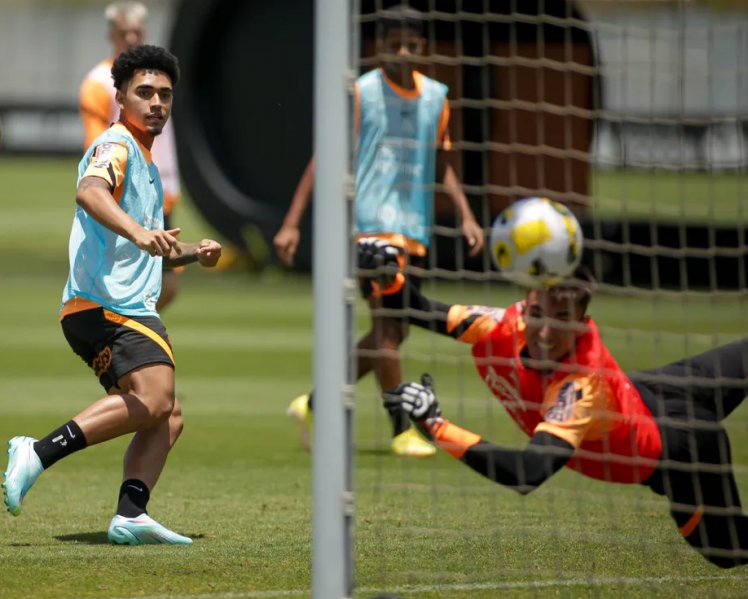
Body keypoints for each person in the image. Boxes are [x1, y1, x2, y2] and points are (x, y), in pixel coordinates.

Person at [362, 239, 748, 568]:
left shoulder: (577, 388)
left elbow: (527, 473)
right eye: (538, 314)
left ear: (583, 321)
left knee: (731, 549)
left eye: (562, 321)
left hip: (681, 447)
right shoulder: (503, 323)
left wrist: (438, 425)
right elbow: (418, 309)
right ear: (526, 305)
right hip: (656, 391)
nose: (545, 332)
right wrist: (388, 275)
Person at [2, 45, 222, 545]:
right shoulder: (115, 145)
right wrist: (141, 234)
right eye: (144, 92)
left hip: (117, 306)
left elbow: (147, 247)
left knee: (169, 415)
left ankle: (131, 513)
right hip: (105, 305)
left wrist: (189, 252)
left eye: (165, 94)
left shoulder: (146, 161)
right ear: (120, 96)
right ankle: (36, 453)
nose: (156, 102)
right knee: (155, 398)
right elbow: (90, 192)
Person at [276, 6, 485, 457]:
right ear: (379, 48)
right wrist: (293, 221)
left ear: (423, 47)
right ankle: (401, 428)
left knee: (395, 332)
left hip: (413, 228)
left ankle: (315, 403)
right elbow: (325, 157)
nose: (403, 53)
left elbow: (442, 161)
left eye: (412, 45)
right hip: (371, 229)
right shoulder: (362, 93)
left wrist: (466, 213)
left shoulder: (436, 97)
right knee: (388, 332)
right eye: (394, 45)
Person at [79, 2, 183, 311]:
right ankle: (121, 331)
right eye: (125, 33)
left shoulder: (157, 78)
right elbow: (97, 145)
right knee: (139, 278)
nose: (132, 38)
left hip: (160, 189)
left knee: (167, 282)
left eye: (137, 32)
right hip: (126, 193)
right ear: (112, 34)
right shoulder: (99, 82)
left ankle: (126, 328)